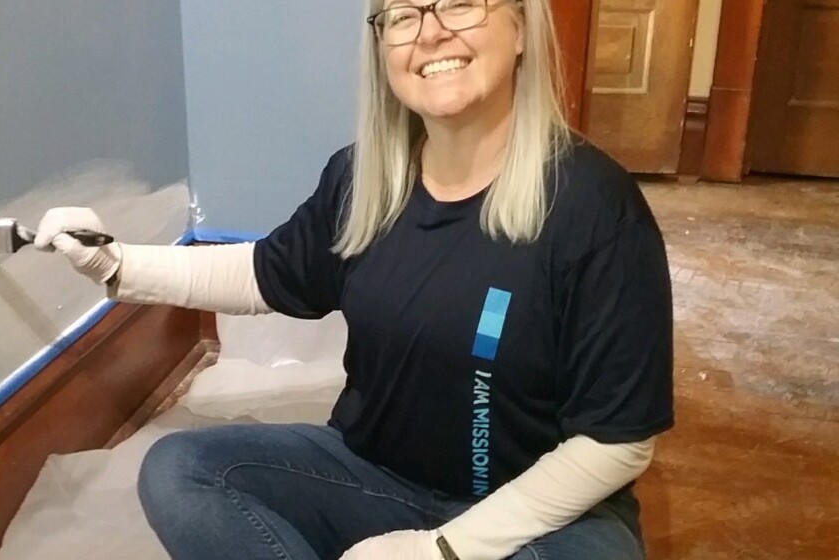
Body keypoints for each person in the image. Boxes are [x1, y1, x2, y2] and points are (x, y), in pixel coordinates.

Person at [34, 0, 674, 558]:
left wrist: (440, 551)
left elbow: (616, 445)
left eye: (459, 4)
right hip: (374, 479)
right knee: (181, 473)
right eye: (403, 15)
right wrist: (116, 263)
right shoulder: (360, 180)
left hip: (541, 516)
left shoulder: (596, 207)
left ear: (522, 28)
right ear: (381, 46)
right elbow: (264, 273)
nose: (430, 32)